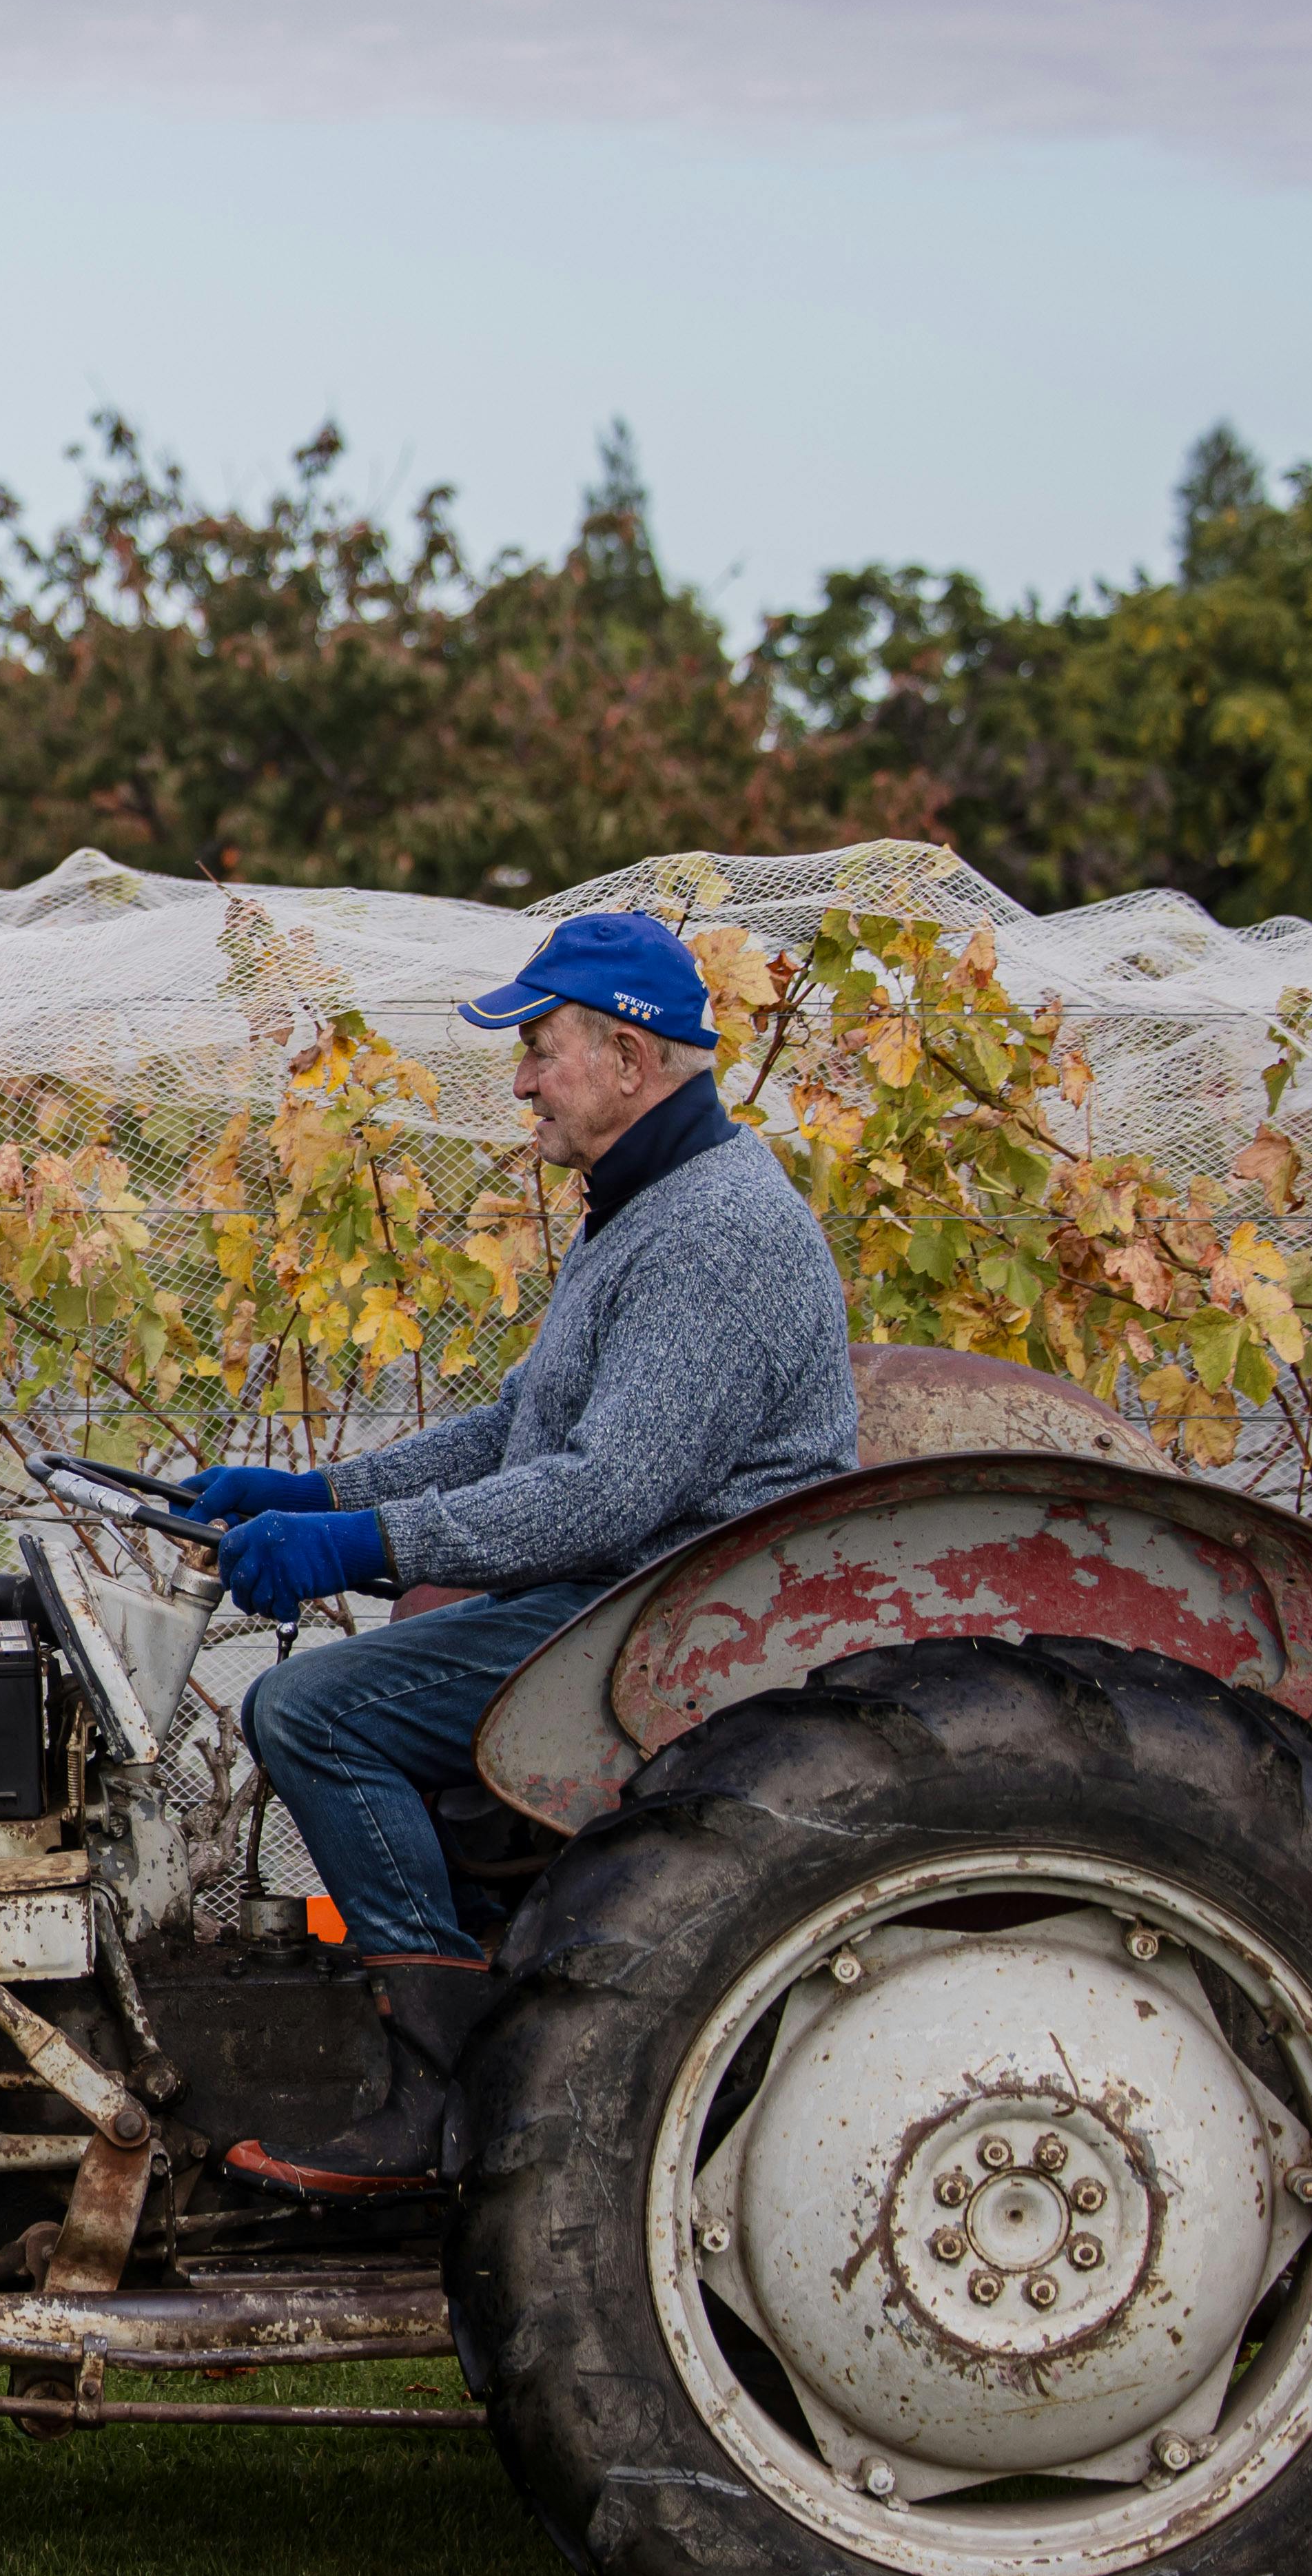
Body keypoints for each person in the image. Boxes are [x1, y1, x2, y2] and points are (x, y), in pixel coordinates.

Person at [168, 910, 857, 2191]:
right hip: (619, 1597)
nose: (525, 1080)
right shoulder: (645, 1205)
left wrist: (356, 1545)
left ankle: (446, 2090)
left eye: (541, 1049)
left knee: (311, 1712)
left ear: (633, 1058)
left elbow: (601, 1496)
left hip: (666, 1628)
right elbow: (516, 1430)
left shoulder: (712, 1234)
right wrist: (320, 1490)